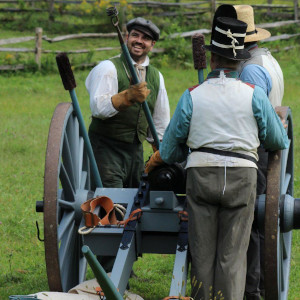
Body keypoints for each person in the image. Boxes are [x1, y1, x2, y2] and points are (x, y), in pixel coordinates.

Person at [145, 17, 289, 300]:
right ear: (240, 61)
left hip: (201, 177)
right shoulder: (255, 95)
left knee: (201, 255)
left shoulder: (192, 96)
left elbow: (172, 151)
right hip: (242, 177)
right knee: (233, 257)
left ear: (212, 59)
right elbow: (276, 141)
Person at [234, 5, 285, 299]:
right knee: (261, 222)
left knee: (253, 222)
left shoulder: (251, 67)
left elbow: (249, 110)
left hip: (256, 148)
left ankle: (252, 289)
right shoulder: (267, 59)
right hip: (266, 146)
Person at [85, 17, 170, 189]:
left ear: (152, 45)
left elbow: (160, 120)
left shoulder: (156, 77)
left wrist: (159, 151)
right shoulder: (108, 68)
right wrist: (126, 97)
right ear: (126, 37)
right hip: (106, 150)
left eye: (145, 38)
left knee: (135, 200)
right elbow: (98, 108)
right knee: (112, 202)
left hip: (135, 153)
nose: (139, 41)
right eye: (135, 35)